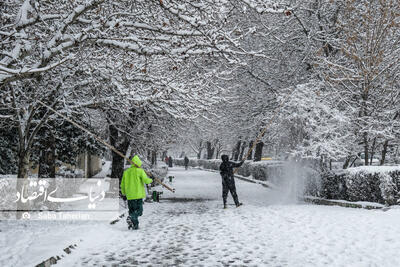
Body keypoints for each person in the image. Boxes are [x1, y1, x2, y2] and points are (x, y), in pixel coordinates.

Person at [120, 155, 153, 230]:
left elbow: (122, 184)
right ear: (138, 163)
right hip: (137, 196)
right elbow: (146, 180)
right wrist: (152, 179)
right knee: (139, 211)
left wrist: (123, 194)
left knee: (132, 211)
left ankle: (135, 225)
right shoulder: (140, 171)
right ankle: (131, 218)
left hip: (129, 196)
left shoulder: (126, 172)